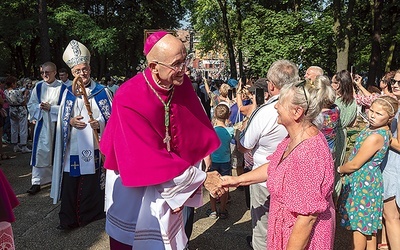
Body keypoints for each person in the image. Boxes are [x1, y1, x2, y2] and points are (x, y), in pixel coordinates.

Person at [100, 31, 223, 250]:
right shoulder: (128, 96)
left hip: (172, 174)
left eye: (185, 61)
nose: (184, 70)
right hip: (136, 184)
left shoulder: (180, 84)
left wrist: (198, 163)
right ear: (154, 66)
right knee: (137, 237)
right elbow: (145, 158)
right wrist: (201, 178)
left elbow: (192, 133)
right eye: (177, 64)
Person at [223, 80, 336, 249]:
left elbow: (307, 218)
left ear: (297, 112)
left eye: (281, 103)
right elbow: (274, 167)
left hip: (301, 239)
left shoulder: (309, 153)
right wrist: (235, 181)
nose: (276, 107)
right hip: (284, 228)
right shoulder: (292, 139)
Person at [235, 60, 299, 250]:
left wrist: (239, 136)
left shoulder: (265, 112)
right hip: (291, 177)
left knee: (263, 227)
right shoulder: (302, 107)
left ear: (271, 85)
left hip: (265, 178)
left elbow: (245, 146)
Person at [50, 40, 113, 230]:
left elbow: (112, 119)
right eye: (77, 71)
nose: (82, 74)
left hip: (94, 147)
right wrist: (69, 122)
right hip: (73, 148)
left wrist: (99, 124)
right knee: (72, 182)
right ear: (72, 73)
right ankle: (68, 219)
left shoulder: (103, 92)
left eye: (84, 69)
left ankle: (90, 214)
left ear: (90, 68)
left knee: (91, 182)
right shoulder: (68, 93)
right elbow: (62, 117)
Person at [337, 96, 398, 250]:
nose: (372, 115)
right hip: (367, 180)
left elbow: (355, 164)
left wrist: (338, 169)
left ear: (390, 118)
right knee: (368, 227)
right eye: (372, 110)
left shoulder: (375, 136)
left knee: (359, 226)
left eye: (379, 114)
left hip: (364, 181)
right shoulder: (381, 130)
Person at [26, 62, 66, 195]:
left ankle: (56, 179)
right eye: (42, 72)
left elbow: (68, 107)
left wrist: (52, 108)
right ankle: (36, 181)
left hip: (57, 126)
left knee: (56, 152)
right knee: (39, 153)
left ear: (55, 72)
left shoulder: (63, 88)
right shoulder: (38, 87)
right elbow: (31, 104)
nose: (44, 75)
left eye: (47, 72)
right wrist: (39, 107)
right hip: (42, 125)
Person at [380, 70, 400, 250]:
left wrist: (383, 132)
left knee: (391, 216)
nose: (395, 84)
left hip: (395, 166)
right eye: (394, 81)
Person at [207, 103, 234, 219]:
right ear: (228, 115)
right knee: (225, 185)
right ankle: (223, 209)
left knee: (212, 184)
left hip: (213, 161)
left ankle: (213, 210)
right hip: (226, 161)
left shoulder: (211, 131)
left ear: (214, 115)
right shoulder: (230, 131)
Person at [4, 76, 31, 153]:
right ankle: (24, 146)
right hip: (20, 110)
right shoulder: (16, 92)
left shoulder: (6, 91)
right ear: (12, 84)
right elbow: (23, 102)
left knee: (14, 128)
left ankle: (15, 145)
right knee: (23, 128)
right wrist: (25, 95)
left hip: (12, 110)